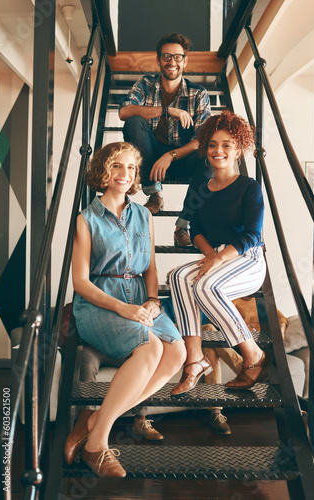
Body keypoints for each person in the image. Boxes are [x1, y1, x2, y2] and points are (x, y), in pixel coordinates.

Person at [66, 142, 186, 478]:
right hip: (99, 303)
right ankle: (96, 445)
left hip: (140, 300)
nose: (125, 174)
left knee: (176, 353)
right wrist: (124, 309)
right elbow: (81, 282)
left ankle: (94, 420)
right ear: (103, 172)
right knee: (151, 348)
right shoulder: (86, 219)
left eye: (131, 168)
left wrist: (151, 300)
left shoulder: (144, 214)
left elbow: (150, 266)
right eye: (117, 166)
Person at [169, 110, 269, 396]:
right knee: (178, 276)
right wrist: (209, 254)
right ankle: (195, 359)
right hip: (215, 257)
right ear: (205, 148)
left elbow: (252, 235)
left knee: (205, 285)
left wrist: (217, 259)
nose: (218, 150)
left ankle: (253, 355)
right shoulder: (201, 187)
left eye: (226, 145)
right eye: (213, 144)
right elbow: (196, 228)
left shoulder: (249, 188)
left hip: (246, 259)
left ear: (238, 150)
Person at [119, 32, 212, 247]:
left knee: (210, 156)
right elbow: (124, 112)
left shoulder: (198, 94)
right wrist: (166, 110)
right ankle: (154, 195)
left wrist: (170, 155)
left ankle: (183, 226)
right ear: (159, 59)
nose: (172, 62)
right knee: (133, 122)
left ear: (185, 61)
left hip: (182, 159)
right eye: (166, 56)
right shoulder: (146, 84)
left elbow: (202, 139)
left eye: (178, 57)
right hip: (151, 160)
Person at [64, 346, 164, 467]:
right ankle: (85, 418)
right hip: (93, 348)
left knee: (146, 363)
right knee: (86, 362)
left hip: (124, 351)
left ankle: (140, 419)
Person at [203, 297, 288, 433]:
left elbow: (281, 318)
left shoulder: (262, 301)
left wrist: (280, 333)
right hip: (239, 346)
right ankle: (255, 371)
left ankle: (215, 412)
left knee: (209, 339)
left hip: (261, 347)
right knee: (208, 331)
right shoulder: (232, 300)